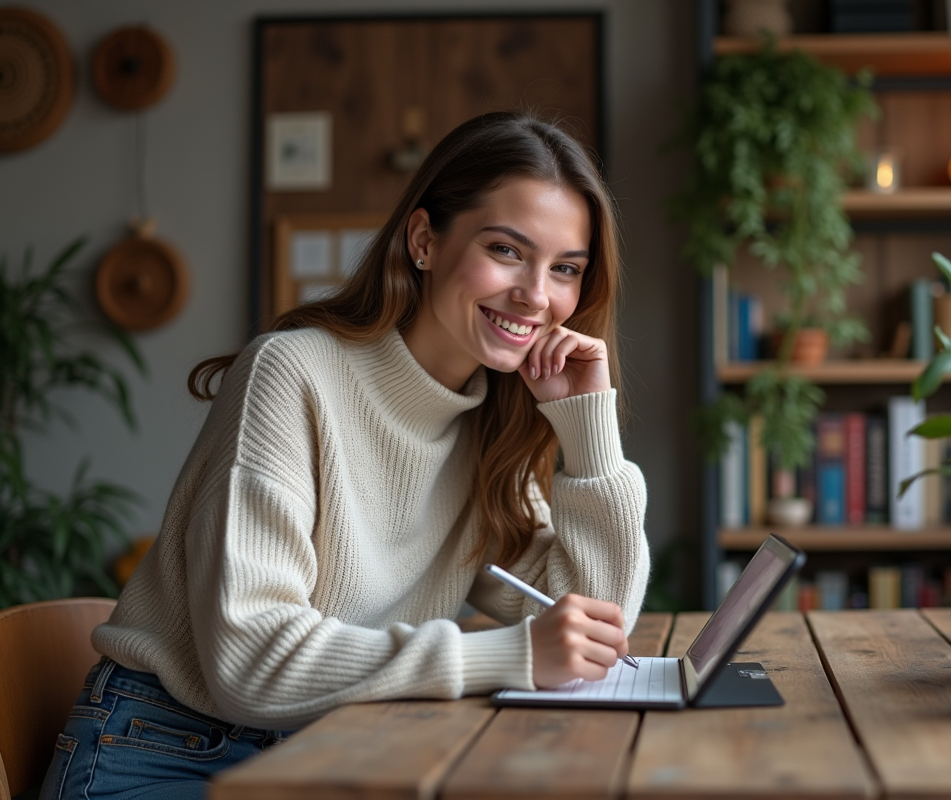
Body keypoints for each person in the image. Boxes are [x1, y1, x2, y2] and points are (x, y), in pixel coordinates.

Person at [41, 112, 650, 800]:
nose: (537, 296)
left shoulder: (494, 420)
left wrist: (589, 429)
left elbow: (599, 628)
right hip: (165, 752)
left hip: (333, 746)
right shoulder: (293, 375)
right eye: (507, 251)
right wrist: (512, 655)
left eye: (565, 268)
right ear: (424, 240)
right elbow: (249, 661)